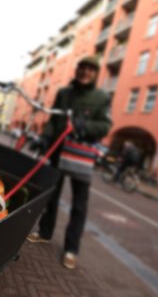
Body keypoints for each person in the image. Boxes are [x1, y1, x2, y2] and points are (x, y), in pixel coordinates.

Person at [27, 56, 112, 269]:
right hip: (57, 151)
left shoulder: (101, 97)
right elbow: (54, 119)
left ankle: (71, 248)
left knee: (79, 204)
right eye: (82, 68)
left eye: (90, 69)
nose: (85, 72)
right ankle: (45, 232)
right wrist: (46, 137)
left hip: (80, 154)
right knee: (51, 196)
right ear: (78, 70)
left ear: (95, 73)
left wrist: (85, 126)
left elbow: (105, 126)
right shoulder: (64, 93)